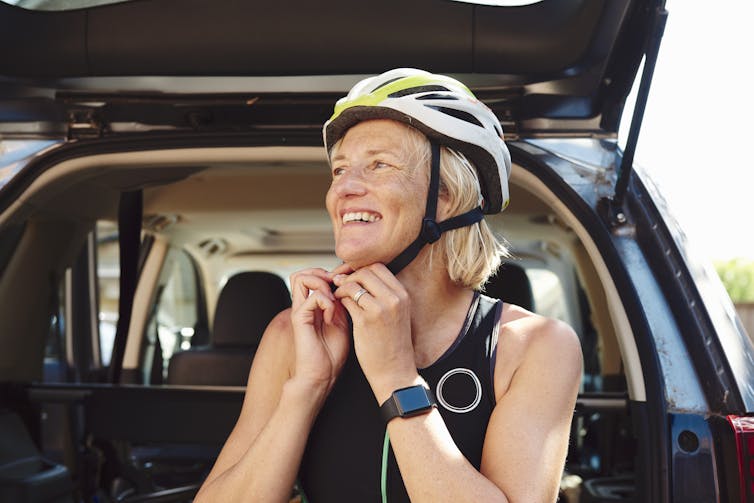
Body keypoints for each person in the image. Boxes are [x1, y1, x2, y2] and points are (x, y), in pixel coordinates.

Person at [194, 68, 582, 503]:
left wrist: (397, 379)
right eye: (340, 170)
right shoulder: (293, 335)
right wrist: (306, 388)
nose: (344, 188)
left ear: (447, 195)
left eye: (378, 165)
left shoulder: (533, 347)